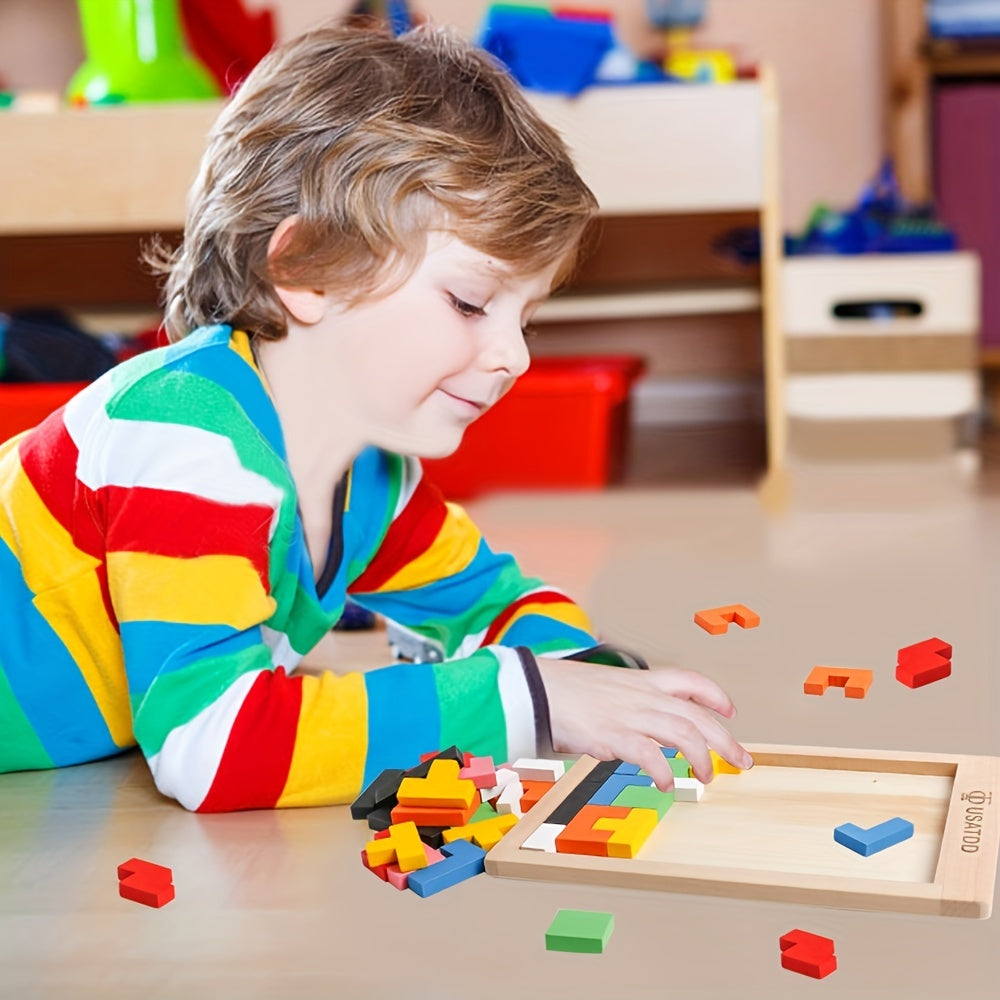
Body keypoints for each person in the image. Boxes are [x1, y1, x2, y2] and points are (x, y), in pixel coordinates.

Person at [0, 23, 752, 811]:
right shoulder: (188, 438)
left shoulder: (370, 475)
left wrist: (594, 682)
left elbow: (489, 602)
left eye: (524, 320)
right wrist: (523, 700)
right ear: (307, 269)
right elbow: (210, 748)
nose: (515, 358)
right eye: (470, 302)